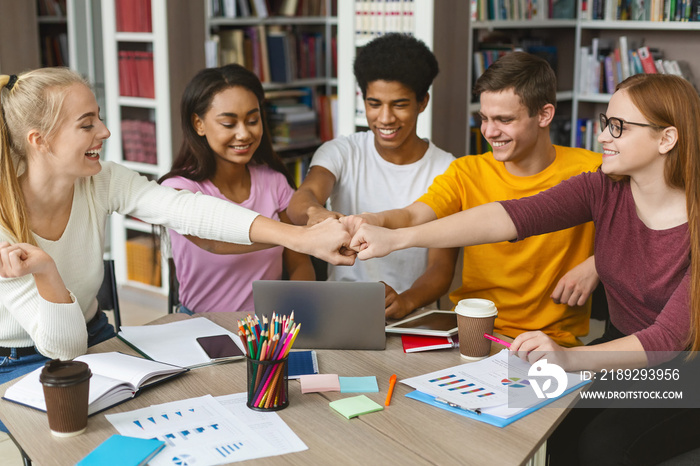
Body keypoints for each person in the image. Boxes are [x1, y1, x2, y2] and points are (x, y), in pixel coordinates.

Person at [350, 73, 700, 464]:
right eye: (605, 123)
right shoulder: (604, 187)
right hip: (623, 346)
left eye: (618, 127)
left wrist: (568, 359)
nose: (603, 137)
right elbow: (511, 217)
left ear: (666, 138)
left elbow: (666, 340)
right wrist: (399, 238)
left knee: (604, 446)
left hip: (685, 368)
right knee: (551, 426)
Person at [0, 68, 353, 388]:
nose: (105, 132)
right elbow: (63, 348)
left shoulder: (102, 180)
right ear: (39, 140)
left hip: (95, 332)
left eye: (99, 119)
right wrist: (46, 270)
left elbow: (186, 209)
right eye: (87, 124)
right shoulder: (4, 220)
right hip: (19, 358)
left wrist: (302, 238)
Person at [344, 52, 601, 346]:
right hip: (470, 332)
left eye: (504, 120)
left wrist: (597, 264)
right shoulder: (467, 171)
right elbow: (414, 215)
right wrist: (374, 220)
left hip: (551, 341)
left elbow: (650, 230)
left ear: (544, 115)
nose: (490, 132)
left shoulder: (592, 170)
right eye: (484, 118)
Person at [287, 33, 458, 319]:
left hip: (412, 315)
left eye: (400, 104)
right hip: (340, 309)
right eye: (374, 103)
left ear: (422, 102)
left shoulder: (448, 169)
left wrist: (405, 301)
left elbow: (441, 267)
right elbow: (301, 200)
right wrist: (315, 212)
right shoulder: (342, 151)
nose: (386, 118)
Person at [159, 64, 314, 314]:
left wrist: (294, 315)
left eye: (252, 120)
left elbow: (300, 264)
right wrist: (295, 236)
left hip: (268, 332)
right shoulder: (178, 190)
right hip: (201, 327)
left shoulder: (274, 181)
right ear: (198, 124)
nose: (244, 134)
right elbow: (215, 241)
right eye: (229, 124)